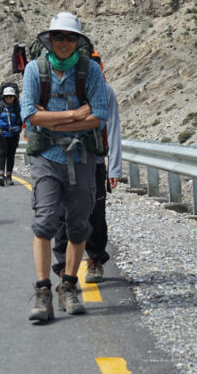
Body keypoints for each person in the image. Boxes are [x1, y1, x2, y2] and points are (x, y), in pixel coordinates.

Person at [20, 12, 108, 323]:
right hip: (46, 157)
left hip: (81, 156)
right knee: (44, 221)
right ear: (50, 39)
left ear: (78, 41)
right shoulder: (34, 70)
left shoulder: (91, 71)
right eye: (60, 37)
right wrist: (73, 116)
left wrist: (53, 121)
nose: (65, 43)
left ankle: (68, 285)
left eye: (71, 37)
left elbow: (98, 115)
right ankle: (44, 290)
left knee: (78, 223)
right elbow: (30, 115)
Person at [51, 52, 122, 283]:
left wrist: (114, 169)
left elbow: (113, 130)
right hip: (64, 161)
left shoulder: (106, 92)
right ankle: (63, 266)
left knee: (95, 214)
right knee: (62, 215)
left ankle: (95, 260)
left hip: (95, 162)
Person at [0, 85, 22, 186]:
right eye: (7, 96)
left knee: (11, 155)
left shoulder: (17, 107)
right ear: (3, 97)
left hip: (14, 134)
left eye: (11, 96)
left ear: (14, 97)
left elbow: (22, 118)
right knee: (2, 153)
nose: (9, 98)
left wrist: (20, 127)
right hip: (1, 134)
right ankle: (0, 175)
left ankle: (9, 176)